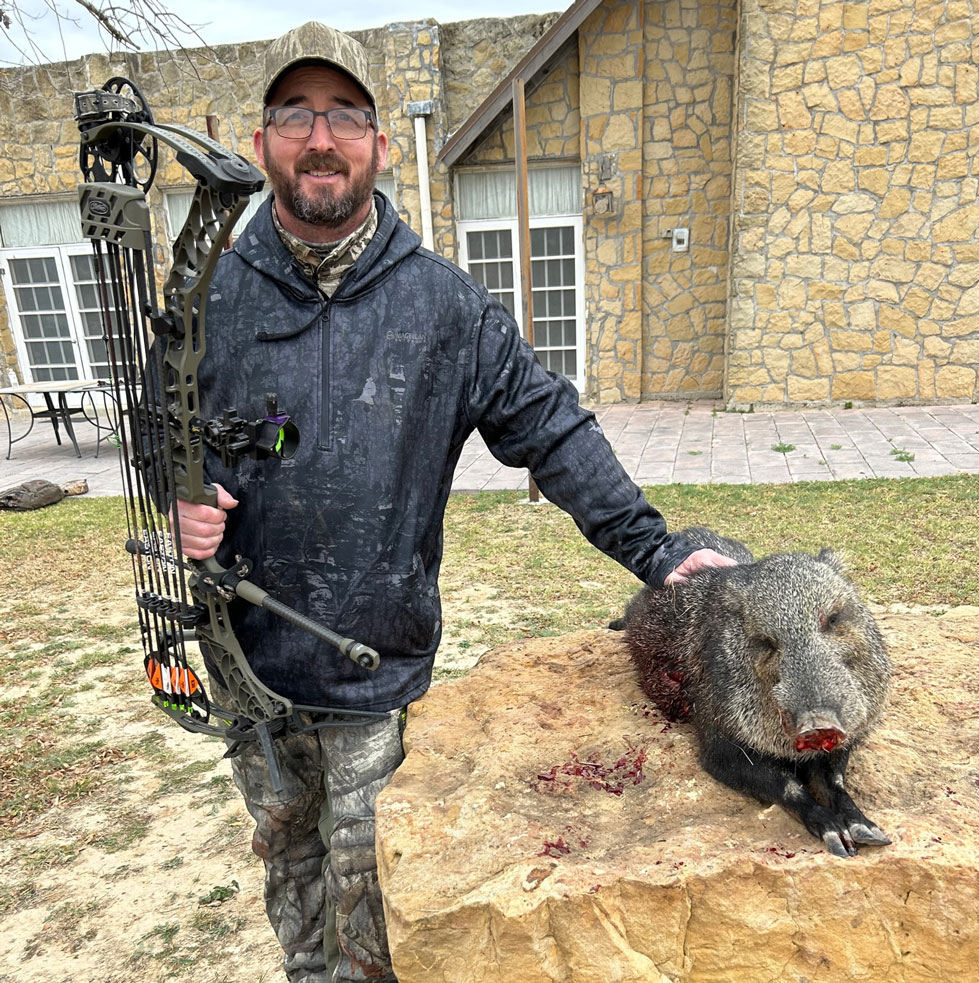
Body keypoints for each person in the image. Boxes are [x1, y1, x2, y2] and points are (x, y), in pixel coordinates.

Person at [174, 20, 736, 983]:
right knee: (289, 856)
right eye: (297, 115)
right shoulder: (208, 294)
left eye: (346, 115)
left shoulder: (444, 306)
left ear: (380, 147)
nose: (321, 139)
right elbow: (164, 427)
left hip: (372, 671)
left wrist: (654, 550)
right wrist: (183, 495)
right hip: (244, 665)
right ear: (264, 141)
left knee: (369, 882)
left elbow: (549, 428)